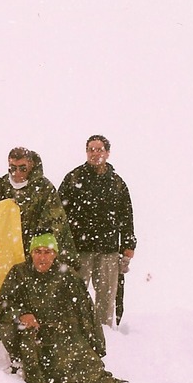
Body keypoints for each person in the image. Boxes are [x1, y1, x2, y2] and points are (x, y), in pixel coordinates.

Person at [0, 232, 125, 383]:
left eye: (47, 252)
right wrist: (21, 314)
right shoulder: (19, 273)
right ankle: (21, 364)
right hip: (31, 334)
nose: (42, 257)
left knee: (88, 378)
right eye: (38, 251)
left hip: (63, 336)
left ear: (55, 254)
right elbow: (1, 305)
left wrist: (95, 346)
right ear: (31, 253)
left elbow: (87, 313)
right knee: (41, 373)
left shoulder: (68, 276)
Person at [58, 135, 137, 328]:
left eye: (99, 149)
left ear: (107, 153)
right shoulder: (73, 178)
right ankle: (74, 335)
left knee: (106, 300)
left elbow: (126, 217)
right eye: (91, 149)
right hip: (79, 250)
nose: (95, 153)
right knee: (74, 298)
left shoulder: (117, 184)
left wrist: (128, 247)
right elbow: (59, 213)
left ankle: (106, 338)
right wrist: (60, 244)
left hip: (108, 250)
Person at [0, 146, 77, 266]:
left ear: (31, 165)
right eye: (13, 168)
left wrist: (38, 246)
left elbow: (56, 223)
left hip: (37, 252)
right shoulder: (2, 186)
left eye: (22, 168)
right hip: (7, 251)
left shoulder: (44, 188)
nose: (17, 173)